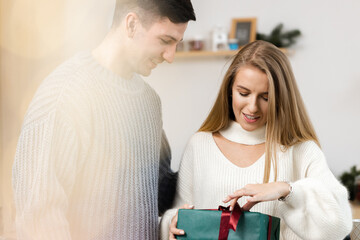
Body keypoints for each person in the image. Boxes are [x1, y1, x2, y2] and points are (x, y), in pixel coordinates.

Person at [12, 0, 195, 239]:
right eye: (165, 41)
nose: (170, 56)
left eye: (176, 44)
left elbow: (158, 192)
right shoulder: (64, 94)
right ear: (131, 24)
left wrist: (217, 153)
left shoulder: (149, 102)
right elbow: (39, 217)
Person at [160, 40, 353, 240]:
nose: (252, 107)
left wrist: (286, 190)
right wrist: (173, 223)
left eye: (266, 97)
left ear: (281, 98)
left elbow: (339, 226)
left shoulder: (301, 150)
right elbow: (180, 211)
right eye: (243, 93)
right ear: (229, 90)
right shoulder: (200, 145)